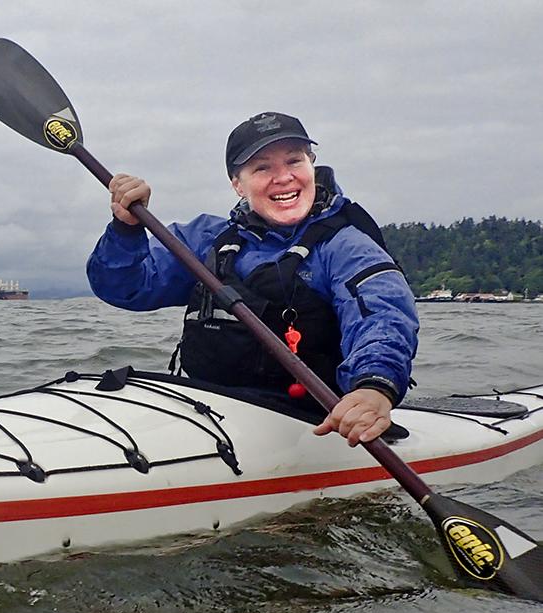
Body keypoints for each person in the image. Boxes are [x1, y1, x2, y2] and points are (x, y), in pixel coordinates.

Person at [87, 111, 418, 447]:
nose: (284, 177)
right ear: (237, 184)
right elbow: (126, 288)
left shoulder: (344, 245)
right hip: (211, 413)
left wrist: (374, 387)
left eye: (294, 160)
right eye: (263, 167)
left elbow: (382, 312)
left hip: (313, 422)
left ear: (311, 166)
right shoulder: (206, 239)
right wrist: (126, 230)